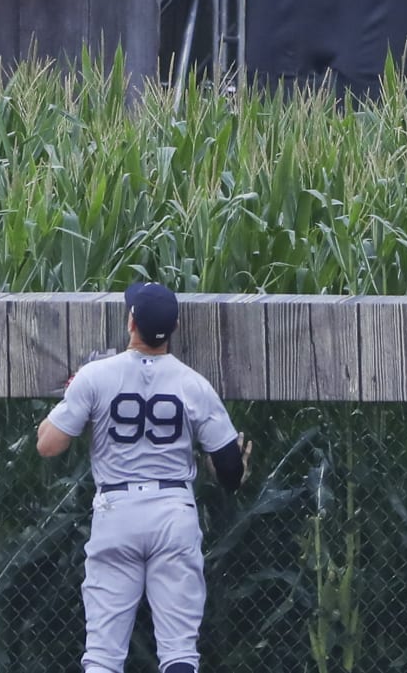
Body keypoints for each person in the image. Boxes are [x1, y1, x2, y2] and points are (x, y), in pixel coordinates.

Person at [37, 282, 251, 673]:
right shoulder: (193, 384)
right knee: (179, 651)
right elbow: (230, 471)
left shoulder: (96, 376)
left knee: (103, 653)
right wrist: (226, 467)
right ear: (175, 327)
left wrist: (70, 400)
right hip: (173, 510)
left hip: (116, 509)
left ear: (131, 321)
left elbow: (49, 445)